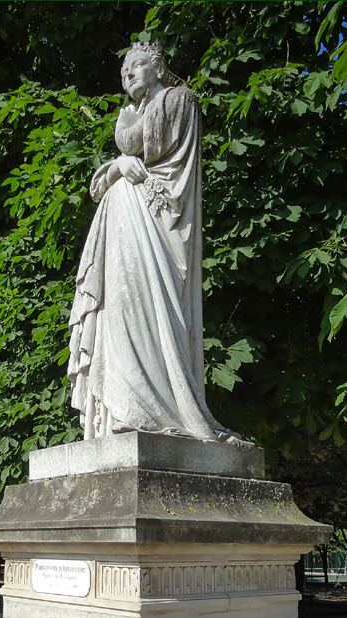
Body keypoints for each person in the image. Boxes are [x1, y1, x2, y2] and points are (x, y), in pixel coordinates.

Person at [68, 41, 235, 442]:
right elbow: (127, 158)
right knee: (120, 306)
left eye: (136, 65)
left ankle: (151, 407)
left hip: (159, 223)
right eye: (123, 70)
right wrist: (118, 169)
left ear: (159, 69)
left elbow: (141, 145)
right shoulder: (142, 110)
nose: (127, 74)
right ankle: (126, 407)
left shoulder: (178, 99)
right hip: (129, 220)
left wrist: (123, 144)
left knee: (145, 309)